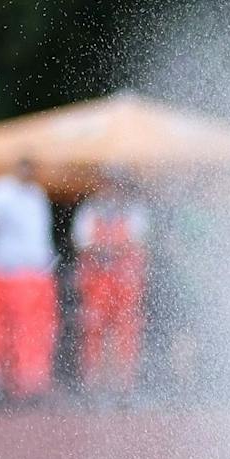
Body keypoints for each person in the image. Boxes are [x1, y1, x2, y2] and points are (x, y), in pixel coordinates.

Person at [0, 156, 59, 402]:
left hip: (36, 274)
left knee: (34, 333)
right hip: (6, 274)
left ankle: (31, 384)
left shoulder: (36, 194)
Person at [71, 168, 151, 399]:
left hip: (125, 282)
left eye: (117, 184)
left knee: (126, 331)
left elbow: (139, 243)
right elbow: (82, 243)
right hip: (98, 282)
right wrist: (108, 252)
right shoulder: (90, 210)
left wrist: (108, 251)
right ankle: (93, 383)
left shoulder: (135, 211)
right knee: (93, 329)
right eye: (109, 183)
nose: (113, 189)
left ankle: (125, 385)